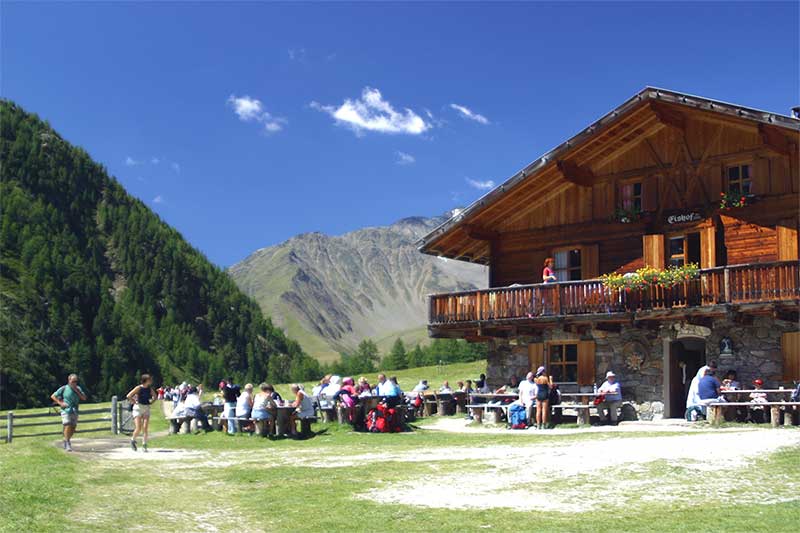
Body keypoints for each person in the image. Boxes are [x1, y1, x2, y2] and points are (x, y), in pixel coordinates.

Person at [51, 373, 88, 452]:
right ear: (69, 381)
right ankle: (68, 443)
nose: (74, 383)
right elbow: (53, 396)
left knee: (73, 427)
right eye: (73, 381)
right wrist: (60, 403)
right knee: (67, 424)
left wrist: (77, 391)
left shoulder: (78, 388)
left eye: (76, 381)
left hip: (75, 410)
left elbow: (84, 398)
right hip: (66, 410)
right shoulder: (64, 388)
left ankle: (66, 439)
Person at [126, 374, 157, 451]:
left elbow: (155, 396)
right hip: (138, 408)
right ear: (145, 380)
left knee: (145, 427)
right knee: (138, 427)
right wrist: (133, 401)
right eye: (149, 379)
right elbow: (129, 395)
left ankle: (144, 444)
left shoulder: (149, 389)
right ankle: (133, 440)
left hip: (146, 408)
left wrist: (151, 402)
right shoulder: (139, 388)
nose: (151, 381)